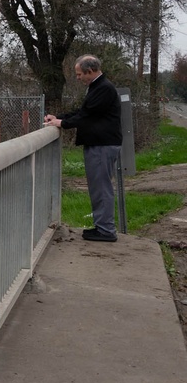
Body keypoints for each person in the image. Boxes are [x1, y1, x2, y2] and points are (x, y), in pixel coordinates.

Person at [44, 55, 123, 242]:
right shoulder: (97, 87)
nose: (78, 78)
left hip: (102, 145)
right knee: (98, 187)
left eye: (79, 74)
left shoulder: (103, 88)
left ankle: (105, 230)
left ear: (90, 71)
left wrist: (62, 123)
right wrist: (59, 117)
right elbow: (83, 113)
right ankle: (102, 227)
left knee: (101, 188)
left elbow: (86, 117)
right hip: (100, 144)